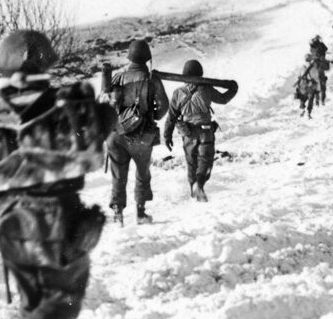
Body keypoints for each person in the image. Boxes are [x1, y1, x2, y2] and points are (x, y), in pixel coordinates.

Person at [0, 30, 113, 319]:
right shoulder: (64, 103)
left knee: (32, 296)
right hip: (55, 211)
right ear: (43, 58)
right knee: (64, 297)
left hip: (5, 217)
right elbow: (96, 146)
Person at [102, 38, 170, 225]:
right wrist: (152, 116)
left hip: (116, 134)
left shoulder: (117, 77)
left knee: (118, 175)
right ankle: (140, 214)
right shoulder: (151, 79)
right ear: (147, 58)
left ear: (129, 56)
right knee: (142, 173)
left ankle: (118, 213)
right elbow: (164, 106)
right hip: (141, 136)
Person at [163, 59, 238, 202]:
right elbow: (223, 98)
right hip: (205, 132)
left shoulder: (178, 93)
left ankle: (194, 192)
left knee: (191, 164)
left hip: (188, 134)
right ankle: (200, 185)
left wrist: (167, 136)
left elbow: (171, 117)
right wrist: (233, 88)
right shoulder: (206, 89)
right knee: (205, 162)